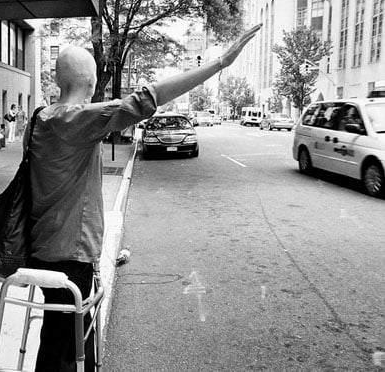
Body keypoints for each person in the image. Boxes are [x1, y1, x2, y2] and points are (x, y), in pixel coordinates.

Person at [24, 24, 261, 371]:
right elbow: (148, 98)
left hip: (42, 249)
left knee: (58, 335)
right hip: (70, 256)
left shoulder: (40, 118)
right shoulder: (79, 119)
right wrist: (219, 63)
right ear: (90, 83)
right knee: (68, 346)